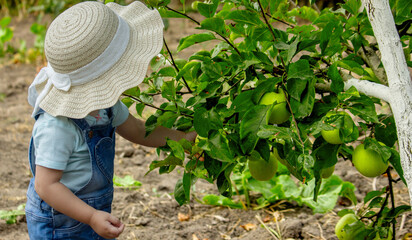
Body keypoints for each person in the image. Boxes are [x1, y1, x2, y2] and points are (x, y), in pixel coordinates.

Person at [25, 1, 196, 239]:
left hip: (92, 213)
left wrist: (183, 139)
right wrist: (91, 217)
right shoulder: (57, 126)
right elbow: (46, 186)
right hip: (60, 222)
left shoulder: (105, 105)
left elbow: (137, 130)